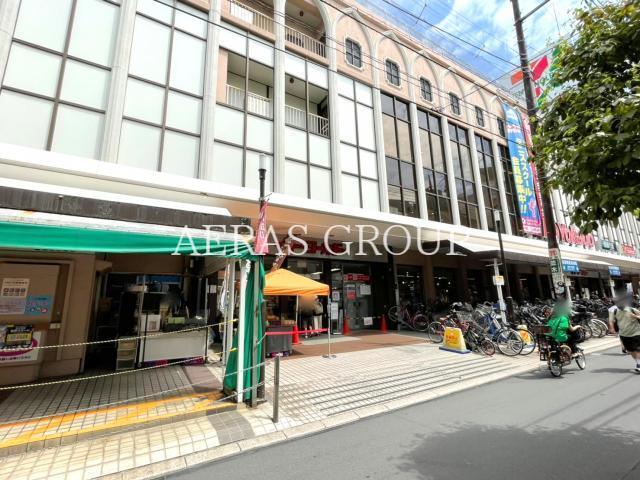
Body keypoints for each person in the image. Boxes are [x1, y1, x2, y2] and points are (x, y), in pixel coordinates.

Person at [611, 293, 640, 373]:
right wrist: (613, 330)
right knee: (630, 350)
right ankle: (638, 362)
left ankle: (639, 365)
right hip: (624, 334)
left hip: (636, 332)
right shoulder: (615, 311)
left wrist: (636, 317)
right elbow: (613, 321)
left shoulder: (632, 310)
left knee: (637, 349)